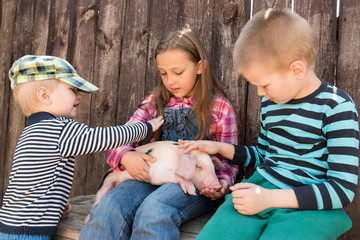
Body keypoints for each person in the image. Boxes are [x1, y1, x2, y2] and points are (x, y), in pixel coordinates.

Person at [178, 8, 359, 240]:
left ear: (296, 70)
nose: (259, 93)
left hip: (313, 206)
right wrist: (220, 148)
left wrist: (269, 199)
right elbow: (263, 155)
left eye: (264, 84)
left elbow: (342, 190)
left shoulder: (336, 107)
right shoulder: (271, 103)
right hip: (261, 189)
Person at [79, 27, 239, 239]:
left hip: (193, 184)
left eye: (178, 72)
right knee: (109, 206)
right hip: (150, 177)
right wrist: (127, 155)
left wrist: (223, 182)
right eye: (163, 73)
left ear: (200, 67)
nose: (170, 81)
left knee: (154, 210)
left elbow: (230, 159)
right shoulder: (154, 103)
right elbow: (121, 137)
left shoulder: (219, 108)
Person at [0, 55, 164, 240]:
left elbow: (31, 185)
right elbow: (104, 138)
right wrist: (146, 127)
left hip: (10, 225)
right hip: (29, 234)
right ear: (45, 95)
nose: (79, 96)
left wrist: (56, 207)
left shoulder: (31, 132)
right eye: (73, 89)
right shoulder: (59, 129)